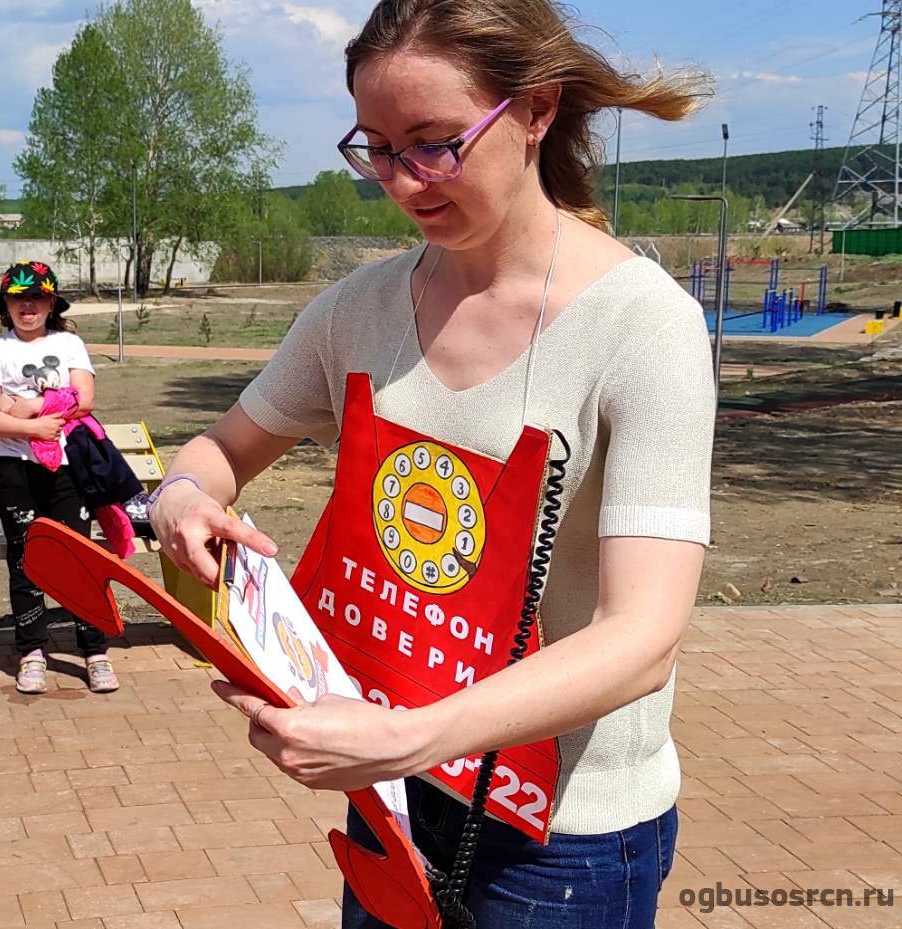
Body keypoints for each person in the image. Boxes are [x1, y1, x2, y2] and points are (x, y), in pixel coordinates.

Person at [147, 1, 715, 925]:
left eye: (436, 142)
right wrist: (180, 497)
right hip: (399, 798)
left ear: (536, 111)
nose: (405, 182)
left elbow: (643, 639)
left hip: (561, 838)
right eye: (376, 147)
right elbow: (219, 450)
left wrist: (404, 738)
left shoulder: (643, 327)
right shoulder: (354, 310)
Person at [0, 261, 119, 695]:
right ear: (6, 306)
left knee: (80, 558)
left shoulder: (69, 343)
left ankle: (95, 651)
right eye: (18, 299)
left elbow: (84, 399)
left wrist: (28, 408)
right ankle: (32, 652)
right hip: (16, 471)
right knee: (26, 563)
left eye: (36, 297)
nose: (28, 306)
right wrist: (32, 428)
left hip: (69, 471)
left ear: (51, 302)